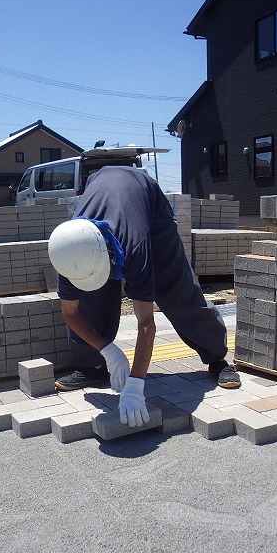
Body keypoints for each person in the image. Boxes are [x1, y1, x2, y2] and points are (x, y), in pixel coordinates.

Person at [47, 164, 241, 428]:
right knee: (94, 297)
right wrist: (109, 351)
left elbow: (146, 323)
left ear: (109, 253)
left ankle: (217, 357)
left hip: (149, 209)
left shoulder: (135, 246)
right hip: (104, 189)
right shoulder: (69, 252)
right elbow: (70, 312)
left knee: (177, 288)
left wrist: (136, 384)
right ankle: (92, 365)